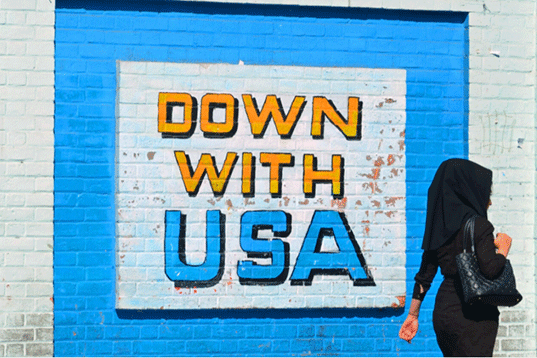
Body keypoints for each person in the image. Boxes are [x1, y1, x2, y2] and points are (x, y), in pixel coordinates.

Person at [398, 158, 513, 357]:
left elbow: (424, 276)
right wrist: (503, 249)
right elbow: (491, 269)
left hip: (445, 314)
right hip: (474, 316)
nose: (490, 201)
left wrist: (412, 315)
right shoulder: (480, 226)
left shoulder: (439, 228)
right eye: (487, 194)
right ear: (470, 190)